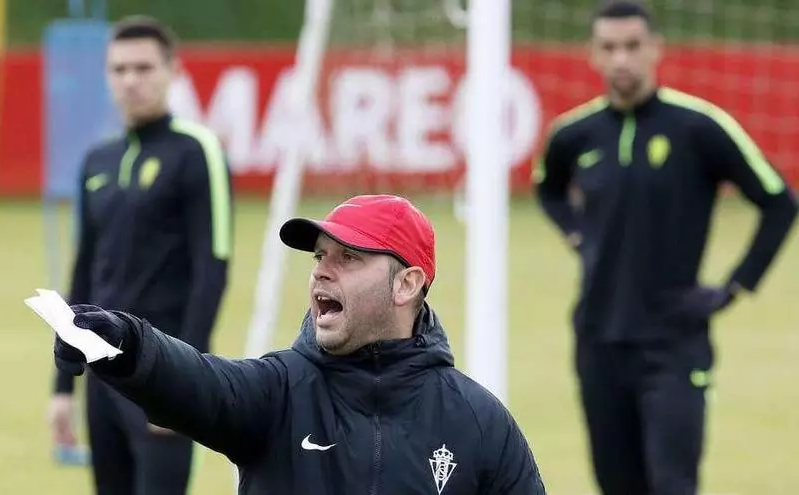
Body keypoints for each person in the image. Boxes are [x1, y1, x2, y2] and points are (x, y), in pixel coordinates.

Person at [51, 194, 547, 494]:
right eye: (319, 257)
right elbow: (196, 381)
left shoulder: (479, 421)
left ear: (406, 284)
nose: (321, 272)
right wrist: (122, 342)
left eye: (348, 258)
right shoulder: (277, 392)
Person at [533, 2, 798, 494]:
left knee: (673, 484)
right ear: (593, 54)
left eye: (632, 46)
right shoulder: (574, 134)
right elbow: (547, 188)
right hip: (598, 340)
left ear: (655, 49)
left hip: (673, 344)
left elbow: (779, 202)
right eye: (609, 47)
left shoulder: (698, 127)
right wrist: (577, 233)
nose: (621, 59)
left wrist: (735, 286)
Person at [47, 15, 234, 495]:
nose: (131, 80)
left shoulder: (198, 151)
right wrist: (64, 386)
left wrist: (182, 384)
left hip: (161, 370)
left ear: (173, 71)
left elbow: (211, 270)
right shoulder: (97, 160)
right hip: (101, 378)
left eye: (144, 68)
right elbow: (84, 273)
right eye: (120, 69)